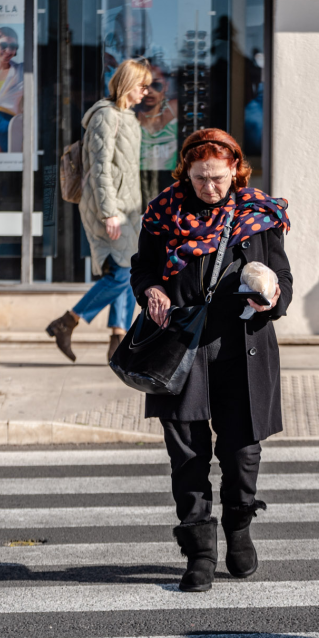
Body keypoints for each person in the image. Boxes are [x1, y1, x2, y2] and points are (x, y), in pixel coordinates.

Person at [131, 128, 292, 593]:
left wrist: (275, 296)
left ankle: (239, 530)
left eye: (218, 178)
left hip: (243, 347)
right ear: (186, 173)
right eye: (200, 178)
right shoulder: (162, 214)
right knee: (187, 456)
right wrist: (152, 290)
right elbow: (142, 268)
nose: (210, 188)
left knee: (242, 452)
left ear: (236, 172)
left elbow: (282, 274)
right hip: (182, 349)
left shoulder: (259, 215)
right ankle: (199, 551)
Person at [46, 58, 151, 362]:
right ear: (127, 84)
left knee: (128, 270)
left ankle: (118, 339)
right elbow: (100, 170)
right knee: (123, 274)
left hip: (128, 210)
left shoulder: (127, 116)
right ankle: (69, 320)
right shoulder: (106, 116)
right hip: (108, 208)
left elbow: (128, 172)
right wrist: (110, 213)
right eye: (141, 86)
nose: (145, 92)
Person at [137, 61, 178, 205]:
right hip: (139, 180)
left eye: (156, 84)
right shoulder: (132, 116)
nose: (149, 91)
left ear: (166, 86)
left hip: (170, 180)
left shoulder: (173, 110)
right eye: (144, 85)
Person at [0, 26, 23, 152]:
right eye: (3, 45)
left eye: (12, 46)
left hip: (11, 132)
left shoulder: (21, 71)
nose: (7, 51)